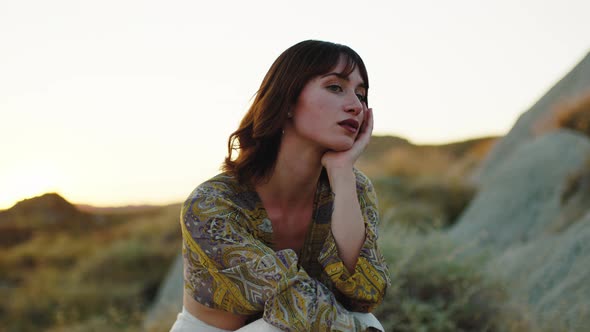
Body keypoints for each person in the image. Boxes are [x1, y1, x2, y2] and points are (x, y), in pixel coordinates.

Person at [171, 40, 391, 332]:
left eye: (361, 94)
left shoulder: (354, 187)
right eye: (335, 87)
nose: (355, 105)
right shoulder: (212, 203)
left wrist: (341, 172)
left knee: (365, 320)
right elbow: (293, 303)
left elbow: (364, 294)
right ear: (287, 100)